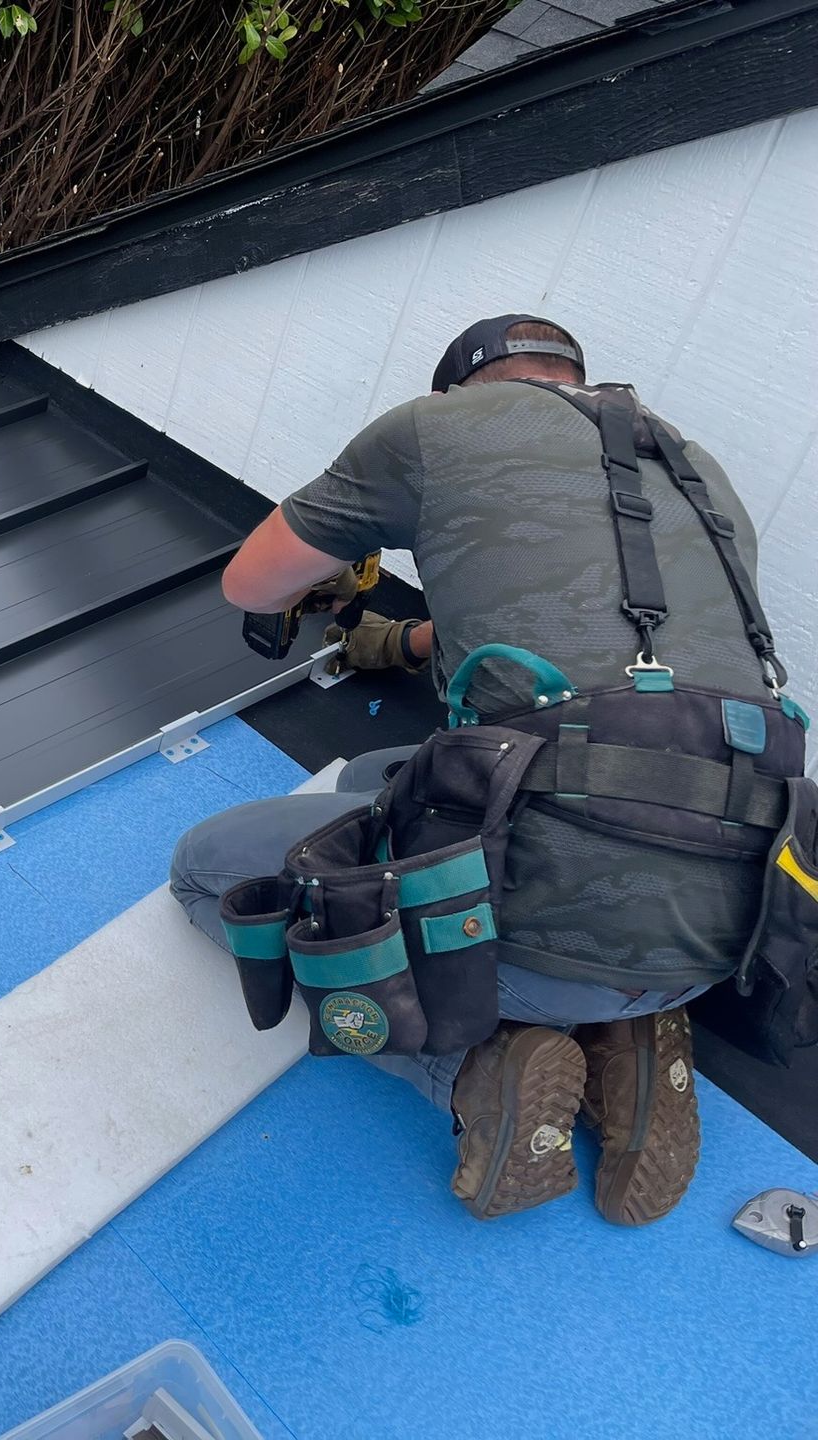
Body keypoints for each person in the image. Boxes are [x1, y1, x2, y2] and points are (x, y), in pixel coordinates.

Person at [169, 315, 806, 1224]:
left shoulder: (430, 432)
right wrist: (404, 642)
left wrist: (331, 565)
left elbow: (251, 586)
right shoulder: (690, 465)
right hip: (731, 938)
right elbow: (597, 655)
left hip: (544, 942)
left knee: (205, 865)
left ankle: (483, 1066)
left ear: (453, 395)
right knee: (374, 778)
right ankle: (635, 1027)